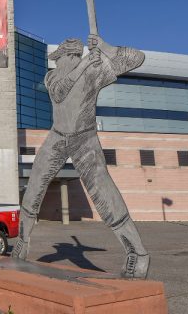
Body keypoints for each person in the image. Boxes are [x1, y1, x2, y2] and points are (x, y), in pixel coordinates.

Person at [12, 34, 151, 279]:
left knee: (104, 193)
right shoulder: (53, 76)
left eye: (60, 58)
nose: (57, 62)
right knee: (34, 185)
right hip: (57, 137)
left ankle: (137, 252)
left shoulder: (94, 70)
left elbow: (136, 58)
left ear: (70, 56)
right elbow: (59, 92)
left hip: (84, 139)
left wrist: (105, 46)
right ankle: (22, 243)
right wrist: (88, 63)